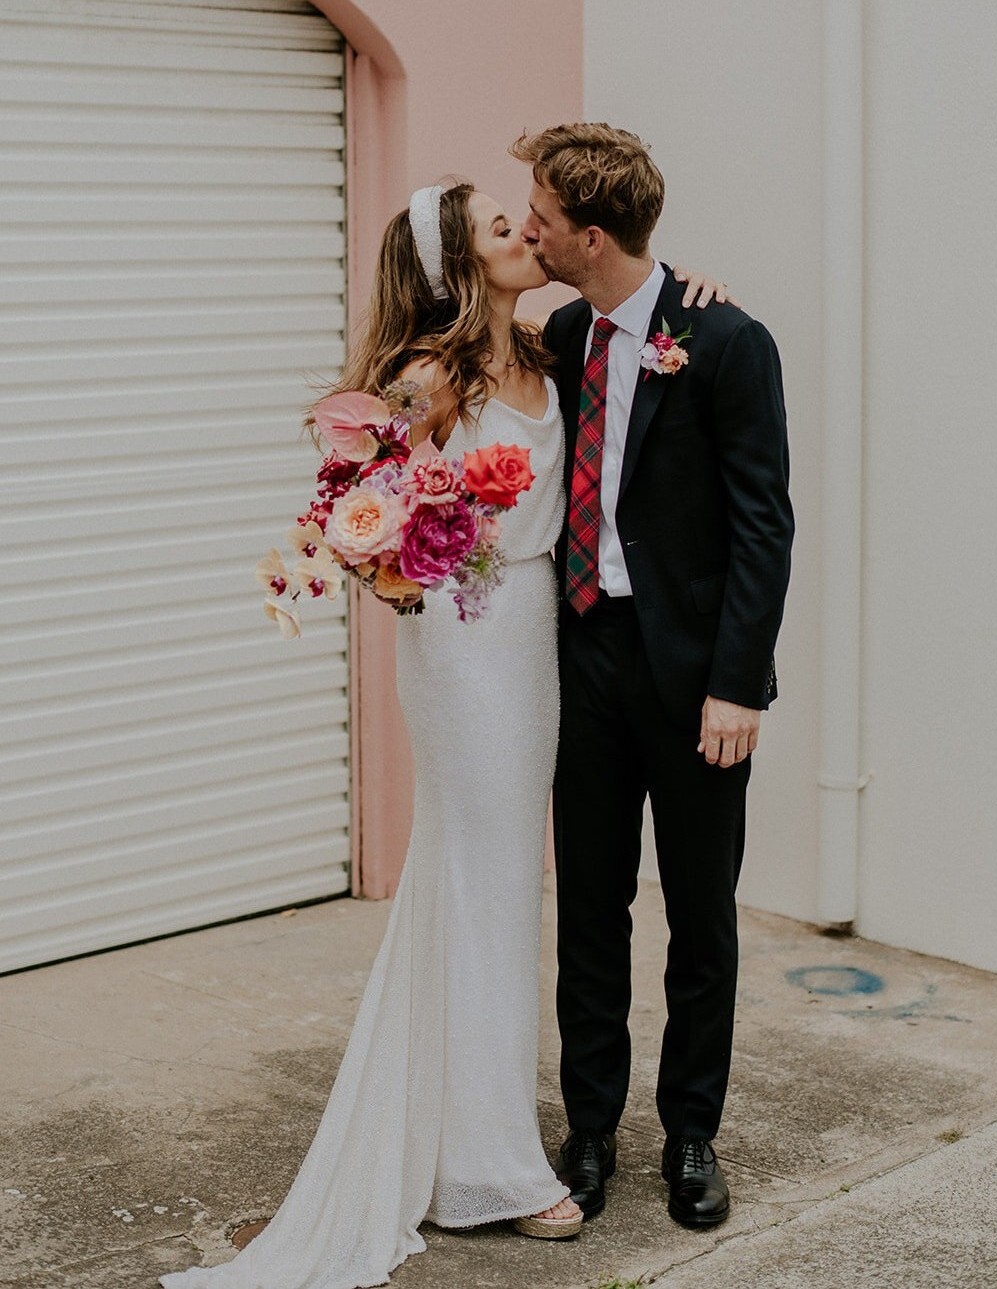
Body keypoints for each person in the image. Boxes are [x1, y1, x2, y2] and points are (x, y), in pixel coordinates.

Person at [161, 180, 724, 1289]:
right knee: (481, 881)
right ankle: (488, 1165)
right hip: (467, 645)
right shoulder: (425, 379)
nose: (525, 234)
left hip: (539, 637)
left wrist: (689, 295)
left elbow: (638, 326)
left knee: (499, 884)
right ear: (458, 267)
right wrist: (409, 564)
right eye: (500, 229)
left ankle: (468, 1126)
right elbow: (348, 512)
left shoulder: (550, 346)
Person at [511, 123, 794, 1229]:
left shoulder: (725, 340)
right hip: (581, 656)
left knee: (699, 915)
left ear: (590, 236)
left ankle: (689, 1133)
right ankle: (588, 1129)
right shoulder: (561, 329)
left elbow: (763, 525)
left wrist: (739, 684)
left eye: (541, 218)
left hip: (694, 678)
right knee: (589, 906)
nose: (528, 230)